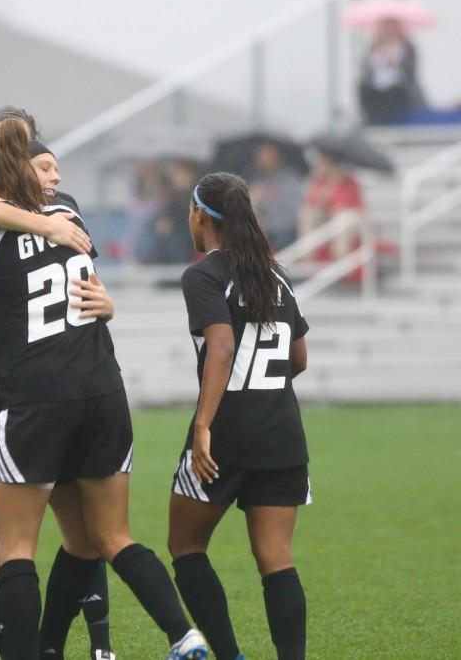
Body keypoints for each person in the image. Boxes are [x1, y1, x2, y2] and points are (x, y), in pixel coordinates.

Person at [0, 118, 208, 660]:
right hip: (102, 392)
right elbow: (74, 277)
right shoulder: (70, 214)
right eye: (45, 166)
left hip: (22, 399)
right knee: (101, 539)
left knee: (7, 550)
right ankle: (181, 634)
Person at [0, 120, 116, 660]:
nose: (52, 177)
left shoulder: (62, 211)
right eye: (41, 164)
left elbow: (84, 294)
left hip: (32, 399)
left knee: (76, 537)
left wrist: (110, 305)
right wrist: (52, 230)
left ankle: (56, 646)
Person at [168, 172, 311, 660]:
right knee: (276, 558)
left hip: (226, 433)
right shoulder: (276, 274)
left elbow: (222, 345)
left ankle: (229, 656)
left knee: (186, 547)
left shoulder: (203, 275)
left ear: (199, 215)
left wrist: (204, 424)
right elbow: (299, 360)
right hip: (282, 433)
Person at [297, 153, 365, 263]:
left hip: (352, 222)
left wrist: (332, 189)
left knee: (342, 216)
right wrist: (323, 195)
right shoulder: (318, 181)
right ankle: (307, 255)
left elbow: (343, 205)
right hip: (328, 220)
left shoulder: (349, 182)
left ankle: (339, 258)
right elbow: (310, 202)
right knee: (308, 213)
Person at [358, 18, 426, 126]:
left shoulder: (407, 47)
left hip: (398, 94)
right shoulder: (373, 48)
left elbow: (409, 72)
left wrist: (394, 62)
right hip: (376, 94)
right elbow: (367, 72)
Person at [248, 143, 304, 250]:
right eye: (261, 156)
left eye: (267, 156)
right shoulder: (256, 180)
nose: (263, 160)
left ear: (277, 157)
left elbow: (294, 213)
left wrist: (270, 223)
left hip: (285, 232)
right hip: (261, 230)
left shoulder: (290, 179)